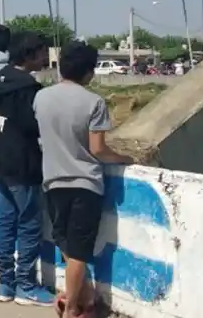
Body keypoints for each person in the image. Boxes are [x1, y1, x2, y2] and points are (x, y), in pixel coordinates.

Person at [35, 42, 133, 318]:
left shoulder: (41, 97)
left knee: (65, 242)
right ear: (89, 72)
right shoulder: (94, 102)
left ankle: (83, 296)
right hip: (84, 184)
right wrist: (124, 158)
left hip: (53, 181)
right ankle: (73, 309)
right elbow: (98, 149)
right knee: (78, 250)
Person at [0, 32, 53, 306]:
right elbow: (31, 126)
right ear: (30, 54)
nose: (46, 57)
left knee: (6, 222)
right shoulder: (26, 87)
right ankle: (26, 285)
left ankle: (5, 283)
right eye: (43, 52)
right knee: (29, 224)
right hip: (22, 164)